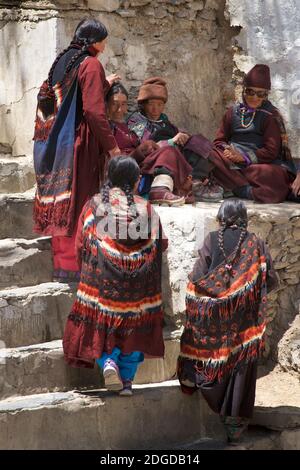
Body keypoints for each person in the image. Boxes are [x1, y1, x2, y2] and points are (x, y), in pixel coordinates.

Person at [63, 156, 168, 396]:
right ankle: (127, 381)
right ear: (137, 180)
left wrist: (88, 272)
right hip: (138, 290)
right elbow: (161, 244)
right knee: (134, 326)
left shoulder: (95, 205)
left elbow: (81, 245)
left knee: (101, 321)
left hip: (103, 285)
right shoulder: (146, 208)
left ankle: (109, 362)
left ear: (109, 177)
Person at [177, 199, 278, 444]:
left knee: (211, 356)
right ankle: (234, 428)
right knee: (241, 368)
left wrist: (217, 294)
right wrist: (247, 291)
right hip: (246, 323)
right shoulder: (256, 243)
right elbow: (271, 280)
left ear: (221, 217)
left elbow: (198, 276)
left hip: (217, 322)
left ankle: (198, 382)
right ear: (244, 218)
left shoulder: (212, 239)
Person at [33, 18, 121, 282]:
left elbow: (69, 96)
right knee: (78, 204)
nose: (105, 45)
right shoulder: (92, 64)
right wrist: (112, 147)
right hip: (77, 146)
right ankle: (76, 269)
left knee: (63, 205)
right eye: (103, 40)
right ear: (94, 42)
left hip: (52, 145)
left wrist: (103, 83)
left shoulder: (62, 62)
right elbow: (93, 112)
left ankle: (62, 266)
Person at [209, 64, 297, 203]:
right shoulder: (233, 112)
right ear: (244, 91)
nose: (254, 97)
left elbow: (271, 151)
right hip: (232, 162)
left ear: (266, 96)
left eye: (260, 94)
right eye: (250, 92)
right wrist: (228, 151)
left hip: (255, 166)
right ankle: (242, 186)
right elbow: (219, 141)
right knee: (207, 152)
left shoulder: (270, 116)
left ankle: (239, 189)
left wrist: (244, 158)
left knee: (275, 175)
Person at [127, 77, 223, 202]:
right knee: (169, 152)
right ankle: (163, 188)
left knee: (199, 142)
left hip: (172, 158)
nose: (155, 109)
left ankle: (195, 182)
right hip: (150, 163)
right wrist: (171, 142)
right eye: (151, 104)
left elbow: (175, 135)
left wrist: (183, 138)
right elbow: (146, 148)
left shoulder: (164, 121)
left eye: (160, 104)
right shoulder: (136, 121)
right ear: (144, 105)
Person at [105, 82, 195, 205]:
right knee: (168, 151)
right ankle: (160, 189)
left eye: (124, 104)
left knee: (189, 145)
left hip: (141, 163)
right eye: (114, 104)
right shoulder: (107, 128)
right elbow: (116, 158)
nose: (119, 109)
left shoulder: (126, 127)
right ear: (106, 104)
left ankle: (189, 183)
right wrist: (140, 151)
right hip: (125, 167)